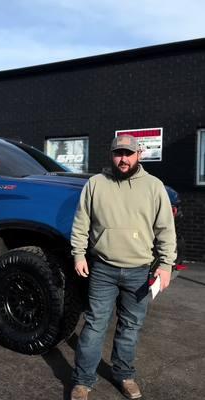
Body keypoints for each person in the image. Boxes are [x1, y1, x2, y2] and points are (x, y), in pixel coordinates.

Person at [70, 135, 176, 400]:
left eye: (129, 153)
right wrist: (78, 255)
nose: (124, 159)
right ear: (111, 154)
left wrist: (165, 264)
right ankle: (83, 381)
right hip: (102, 269)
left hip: (139, 271)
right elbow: (81, 222)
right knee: (94, 325)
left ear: (138, 154)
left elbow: (165, 229)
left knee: (130, 327)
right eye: (119, 153)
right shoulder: (95, 184)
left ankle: (124, 375)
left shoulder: (153, 186)